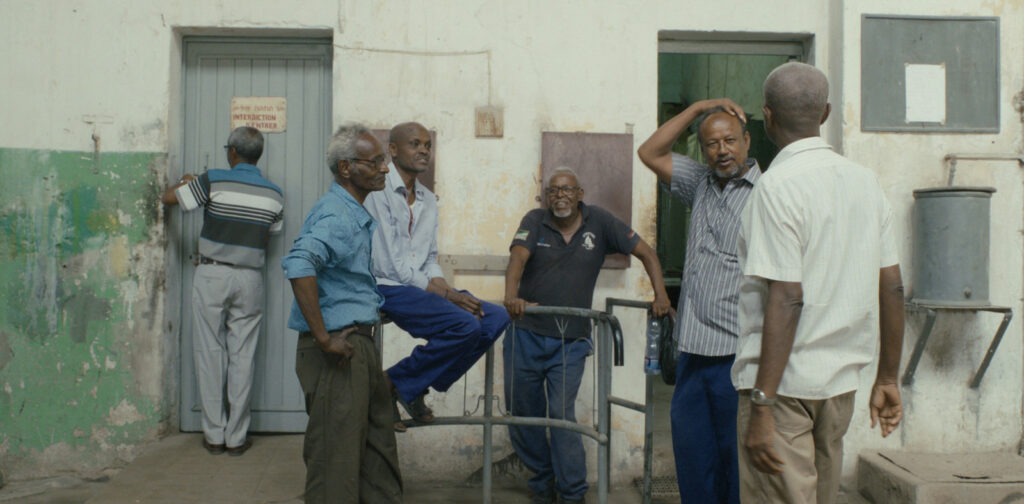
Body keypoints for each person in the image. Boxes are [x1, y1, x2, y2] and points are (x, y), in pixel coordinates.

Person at [732, 62, 904, 504]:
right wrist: (887, 377)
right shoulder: (865, 182)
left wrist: (763, 404)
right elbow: (892, 286)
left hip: (782, 390)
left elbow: (787, 298)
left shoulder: (775, 187)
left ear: (766, 117)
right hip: (838, 388)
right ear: (825, 113)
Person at [503, 168, 672, 504]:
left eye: (567, 190)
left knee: (561, 414)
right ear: (546, 196)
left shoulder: (601, 222)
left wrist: (662, 296)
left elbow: (646, 252)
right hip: (526, 334)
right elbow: (517, 260)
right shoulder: (535, 220)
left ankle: (572, 493)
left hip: (571, 340)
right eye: (554, 191)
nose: (560, 196)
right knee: (522, 416)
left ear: (580, 194)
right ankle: (542, 482)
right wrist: (511, 296)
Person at [637, 97, 760, 504]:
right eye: (711, 143)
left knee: (735, 463)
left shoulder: (768, 195)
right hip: (691, 353)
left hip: (737, 355)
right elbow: (649, 152)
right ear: (703, 149)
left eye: (730, 140)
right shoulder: (700, 184)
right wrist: (700, 108)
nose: (722, 150)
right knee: (693, 460)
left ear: (747, 140)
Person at [282, 123, 402, 503]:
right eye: (375, 161)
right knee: (336, 466)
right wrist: (323, 338)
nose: (385, 168)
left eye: (384, 160)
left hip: (356, 347)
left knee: (377, 458)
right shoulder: (337, 215)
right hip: (339, 351)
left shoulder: (352, 212)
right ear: (346, 168)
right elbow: (300, 264)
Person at [363, 122, 510, 431]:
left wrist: (444, 286)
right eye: (415, 144)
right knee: (465, 324)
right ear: (392, 150)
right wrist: (446, 295)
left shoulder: (428, 199)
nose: (423, 150)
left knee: (495, 317)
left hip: (419, 286)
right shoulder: (378, 194)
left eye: (427, 145)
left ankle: (407, 385)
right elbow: (391, 266)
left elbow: (429, 257)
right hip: (387, 286)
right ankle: (395, 385)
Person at [161, 126, 283, 456]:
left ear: (232, 152)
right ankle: (237, 438)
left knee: (210, 351)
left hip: (212, 273)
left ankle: (214, 436)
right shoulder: (275, 194)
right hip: (250, 278)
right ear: (258, 155)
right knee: (243, 356)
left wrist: (186, 182)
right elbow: (268, 235)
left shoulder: (213, 179)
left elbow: (169, 199)